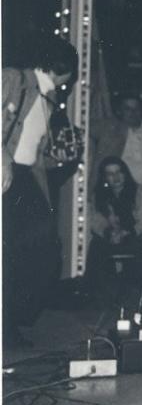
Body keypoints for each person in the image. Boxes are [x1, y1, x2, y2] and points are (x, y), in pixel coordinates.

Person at [2, 36, 79, 348]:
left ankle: (15, 318)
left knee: (43, 250)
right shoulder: (14, 79)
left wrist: (58, 159)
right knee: (11, 255)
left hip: (24, 179)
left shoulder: (47, 102)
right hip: (7, 176)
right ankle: (7, 327)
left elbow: (33, 150)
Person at [86, 156, 142, 308]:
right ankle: (99, 297)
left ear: (125, 173)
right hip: (111, 236)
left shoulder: (140, 192)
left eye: (118, 172)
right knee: (96, 246)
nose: (115, 177)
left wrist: (127, 233)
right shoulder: (98, 196)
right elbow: (95, 220)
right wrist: (108, 233)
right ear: (104, 177)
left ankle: (135, 296)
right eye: (110, 174)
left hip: (134, 235)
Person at [93, 93, 142, 205]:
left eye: (136, 108)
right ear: (120, 111)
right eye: (128, 109)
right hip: (126, 193)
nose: (133, 113)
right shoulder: (111, 129)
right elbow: (87, 127)